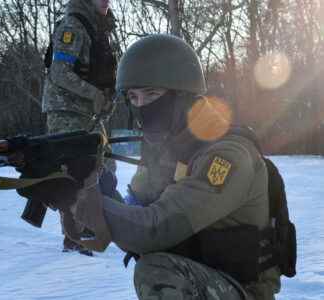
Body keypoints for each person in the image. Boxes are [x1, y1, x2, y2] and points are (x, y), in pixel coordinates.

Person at [21, 34, 286, 299]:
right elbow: (134, 214)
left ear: (185, 96)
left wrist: (78, 200)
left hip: (243, 289)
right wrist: (95, 187)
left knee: (156, 272)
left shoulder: (228, 155)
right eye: (133, 97)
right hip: (200, 279)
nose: (142, 106)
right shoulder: (163, 152)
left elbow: (154, 229)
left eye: (152, 94)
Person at [43, 0, 119, 256]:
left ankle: (90, 229)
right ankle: (74, 238)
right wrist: (95, 95)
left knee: (104, 167)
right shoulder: (74, 25)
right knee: (74, 174)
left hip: (89, 113)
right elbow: (60, 73)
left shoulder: (100, 29)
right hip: (67, 112)